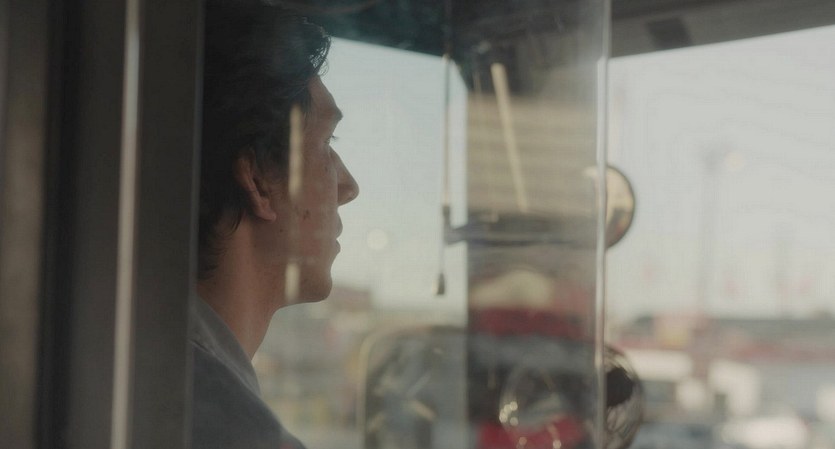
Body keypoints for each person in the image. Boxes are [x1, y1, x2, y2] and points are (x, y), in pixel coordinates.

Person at [191, 2, 359, 448]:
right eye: (326, 142)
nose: (348, 186)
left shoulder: (139, 364)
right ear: (257, 181)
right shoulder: (227, 428)